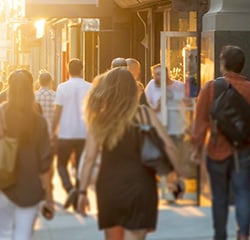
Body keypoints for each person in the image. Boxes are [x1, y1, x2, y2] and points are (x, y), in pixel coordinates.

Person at [76, 68, 184, 240]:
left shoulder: (100, 119)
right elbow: (169, 147)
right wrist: (178, 176)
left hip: (109, 189)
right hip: (141, 188)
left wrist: (81, 193)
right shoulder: (144, 114)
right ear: (133, 90)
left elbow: (89, 158)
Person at [190, 45, 250, 240]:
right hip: (243, 149)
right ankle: (243, 235)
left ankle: (221, 235)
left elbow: (200, 121)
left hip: (216, 148)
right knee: (243, 193)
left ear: (223, 64)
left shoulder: (211, 88)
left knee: (220, 196)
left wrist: (196, 147)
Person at [0, 70, 54, 240]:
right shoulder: (38, 122)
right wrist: (49, 197)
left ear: (9, 89)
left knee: (2, 233)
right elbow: (44, 164)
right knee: (23, 235)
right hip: (29, 188)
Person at [144, 64, 189, 200]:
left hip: (177, 128)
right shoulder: (151, 86)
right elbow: (147, 107)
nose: (157, 77)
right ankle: (172, 186)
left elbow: (190, 104)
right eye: (155, 74)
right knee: (165, 160)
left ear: (167, 74)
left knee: (175, 158)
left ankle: (175, 185)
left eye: (160, 74)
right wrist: (158, 104)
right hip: (160, 129)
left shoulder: (180, 86)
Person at [52, 58, 91, 209]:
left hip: (66, 133)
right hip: (84, 132)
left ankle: (70, 189)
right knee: (82, 166)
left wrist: (53, 129)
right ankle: (80, 195)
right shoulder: (90, 87)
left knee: (61, 164)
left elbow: (58, 111)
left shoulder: (62, 88)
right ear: (82, 69)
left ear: (68, 70)